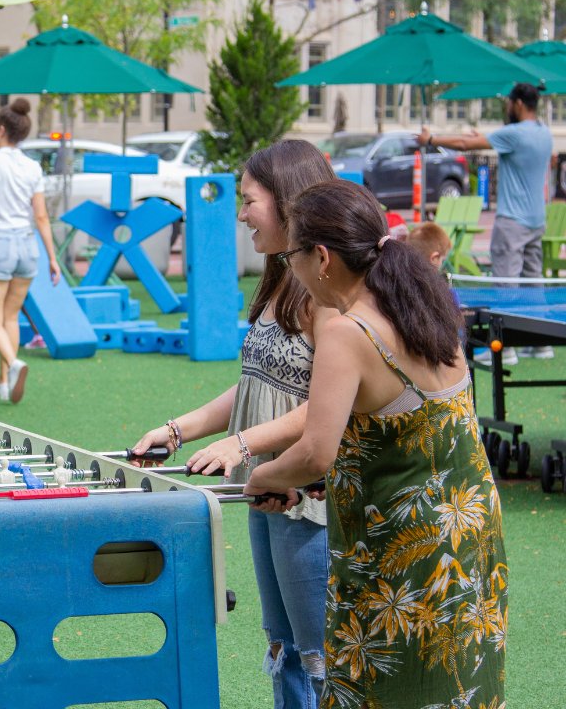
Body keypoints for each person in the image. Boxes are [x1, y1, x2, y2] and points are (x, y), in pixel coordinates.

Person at [245, 179, 507, 709]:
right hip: (469, 533)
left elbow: (315, 450)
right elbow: (408, 432)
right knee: (460, 687)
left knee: (384, 689)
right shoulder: (424, 303)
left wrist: (262, 477)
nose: (290, 270)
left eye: (292, 256)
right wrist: (314, 485)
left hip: (402, 554)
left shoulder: (346, 330)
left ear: (321, 257)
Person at [131, 140, 338, 709]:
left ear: (288, 202)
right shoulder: (278, 279)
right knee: (285, 647)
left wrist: (240, 443)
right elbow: (255, 382)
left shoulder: (327, 287)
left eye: (250, 201)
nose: (241, 213)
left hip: (311, 496)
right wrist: (176, 430)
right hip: (264, 489)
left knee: (321, 657)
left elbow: (325, 406)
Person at [419, 82, 554, 361]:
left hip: (513, 220)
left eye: (508, 102)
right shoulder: (544, 133)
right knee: (532, 281)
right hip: (536, 220)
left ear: (517, 103)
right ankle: (541, 343)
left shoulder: (513, 133)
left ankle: (503, 349)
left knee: (505, 282)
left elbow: (465, 144)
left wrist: (431, 139)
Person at [0, 98, 59, 403]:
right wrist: (52, 257)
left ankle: (14, 364)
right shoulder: (32, 166)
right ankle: (2, 383)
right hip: (27, 244)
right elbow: (41, 216)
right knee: (10, 318)